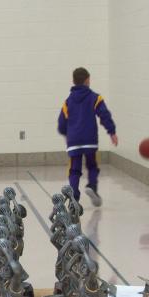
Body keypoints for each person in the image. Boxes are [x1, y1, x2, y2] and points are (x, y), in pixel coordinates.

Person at [57, 67, 118, 207]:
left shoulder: (68, 102)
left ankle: (74, 197)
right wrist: (112, 132)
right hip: (90, 139)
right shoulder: (95, 98)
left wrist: (66, 134)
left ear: (73, 81)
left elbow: (61, 123)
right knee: (92, 165)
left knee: (74, 169)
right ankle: (92, 186)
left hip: (74, 140)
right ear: (87, 80)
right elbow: (104, 115)